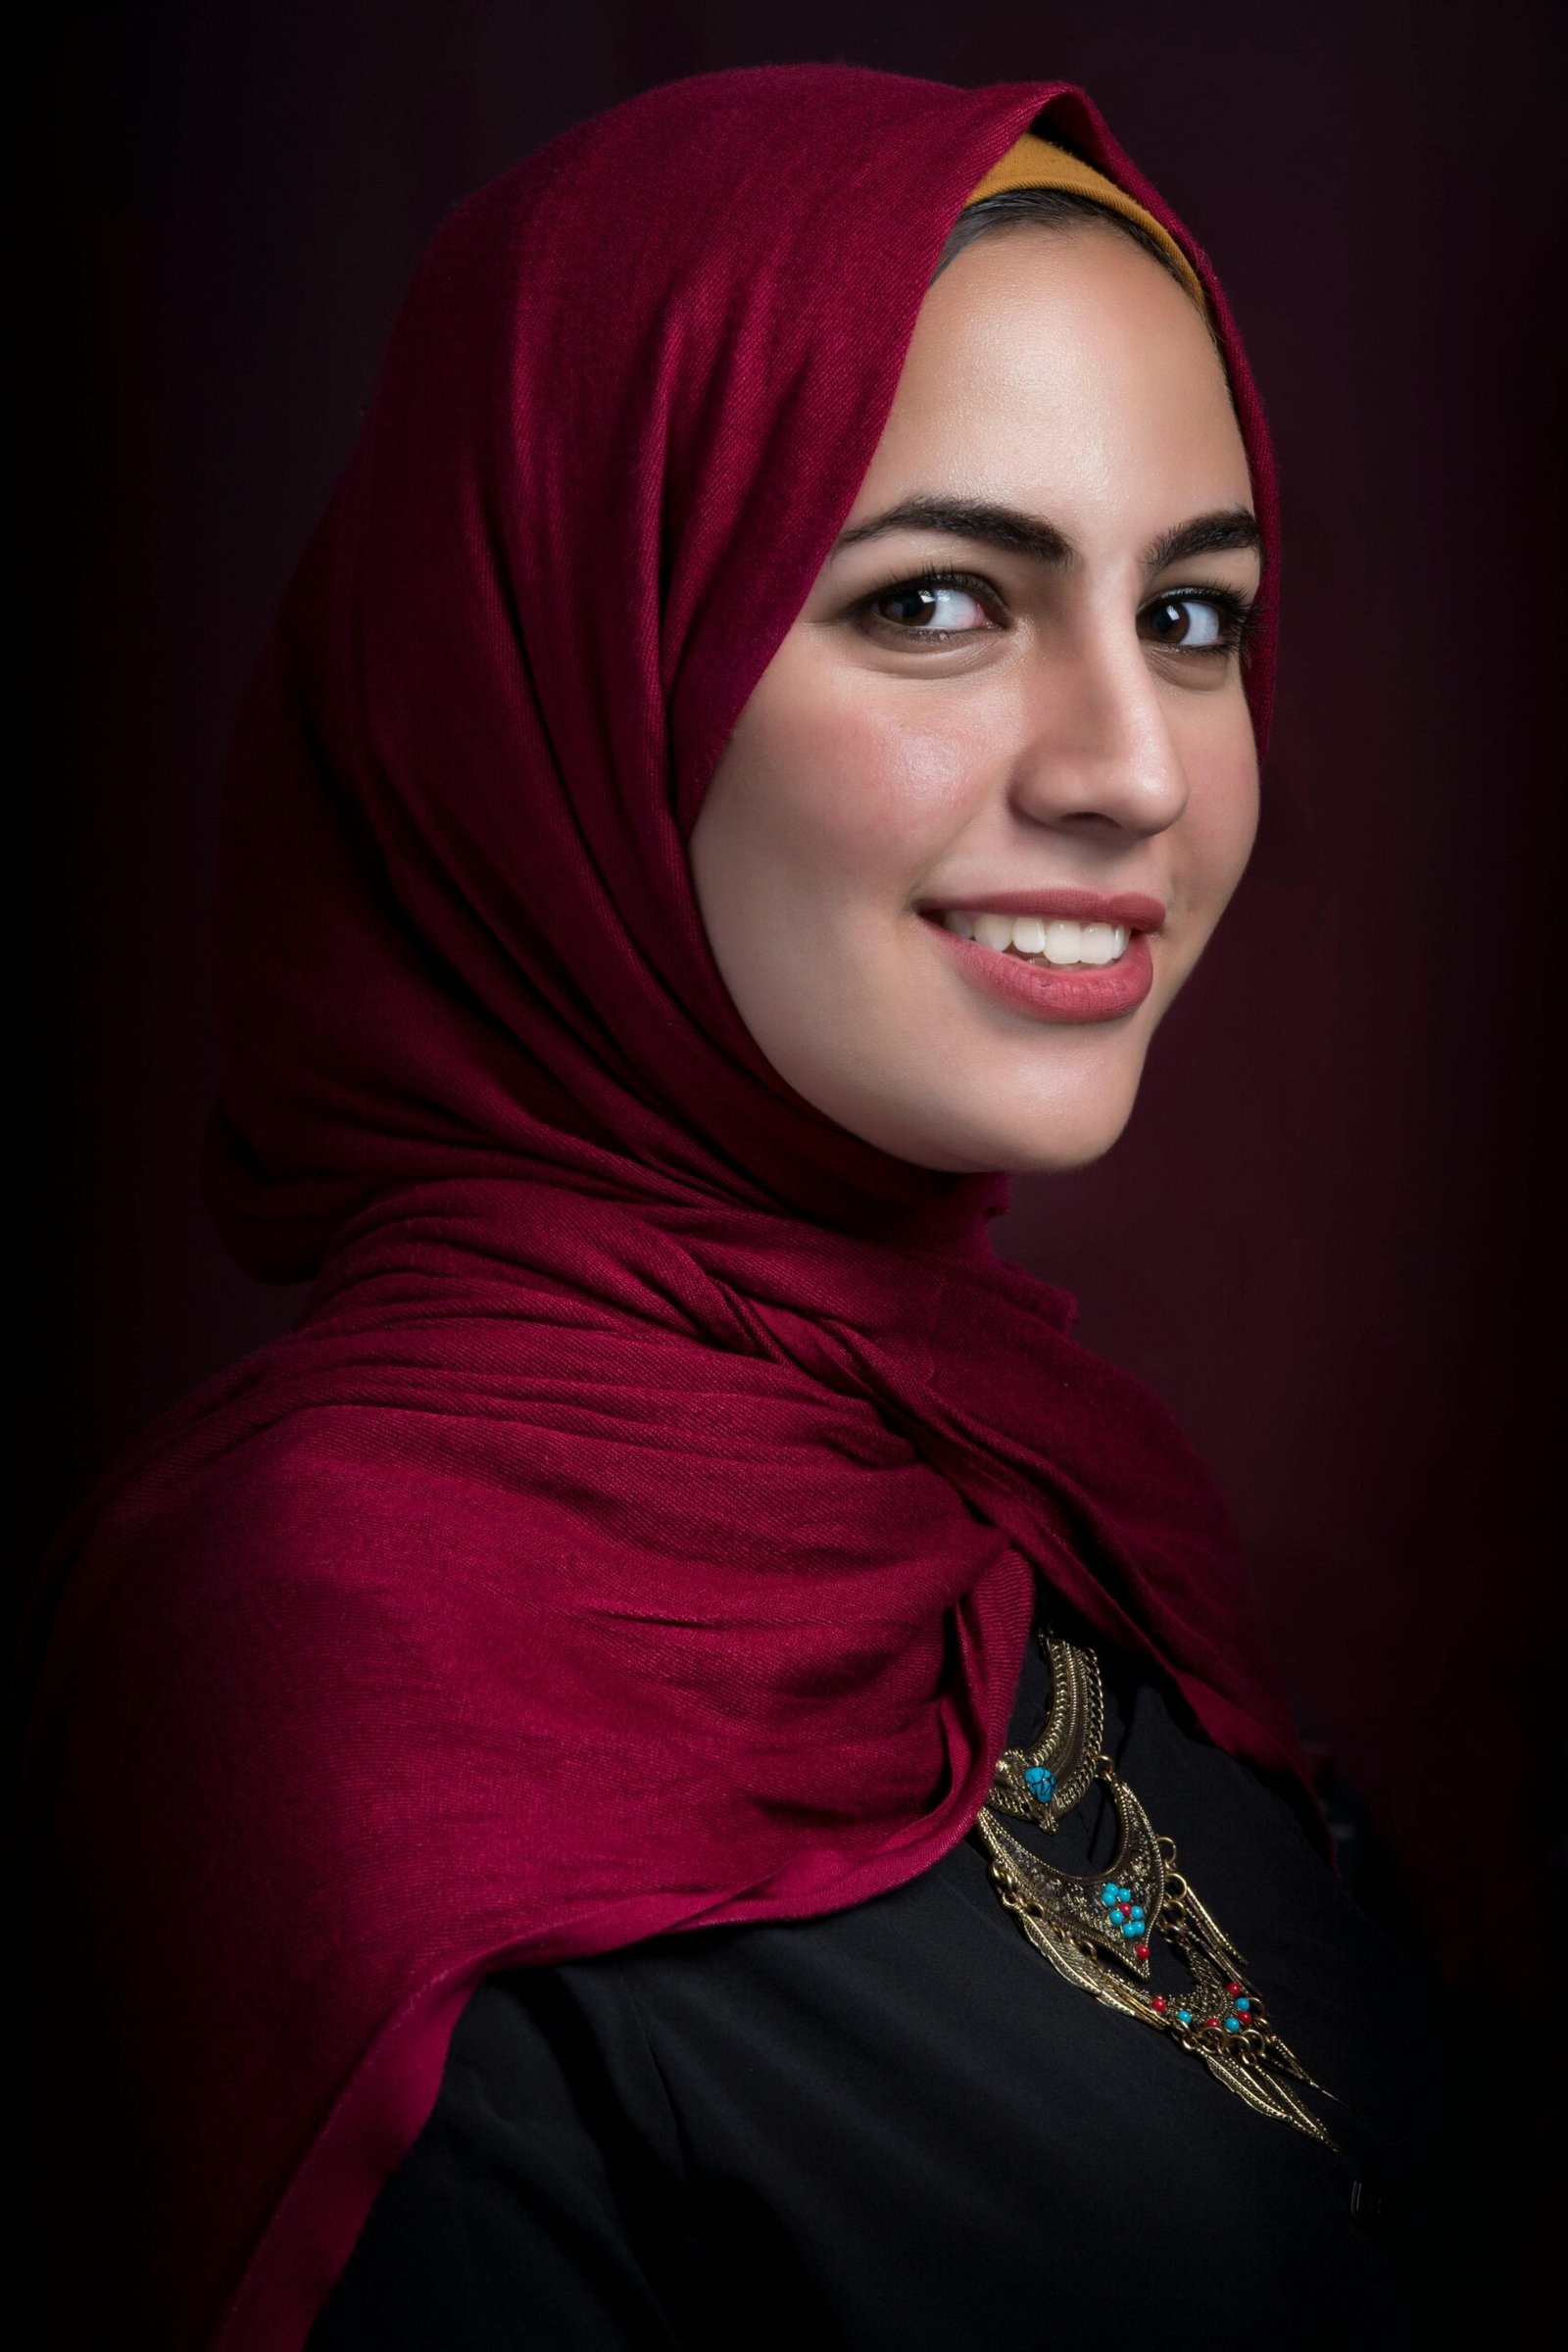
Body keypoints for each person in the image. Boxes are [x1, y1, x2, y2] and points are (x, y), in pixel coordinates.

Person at [19, 63, 1506, 2352]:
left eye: (1190, 620)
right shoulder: (332, 1645)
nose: (1126, 767)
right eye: (933, 599)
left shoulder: (1029, 1500)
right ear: (564, 664)